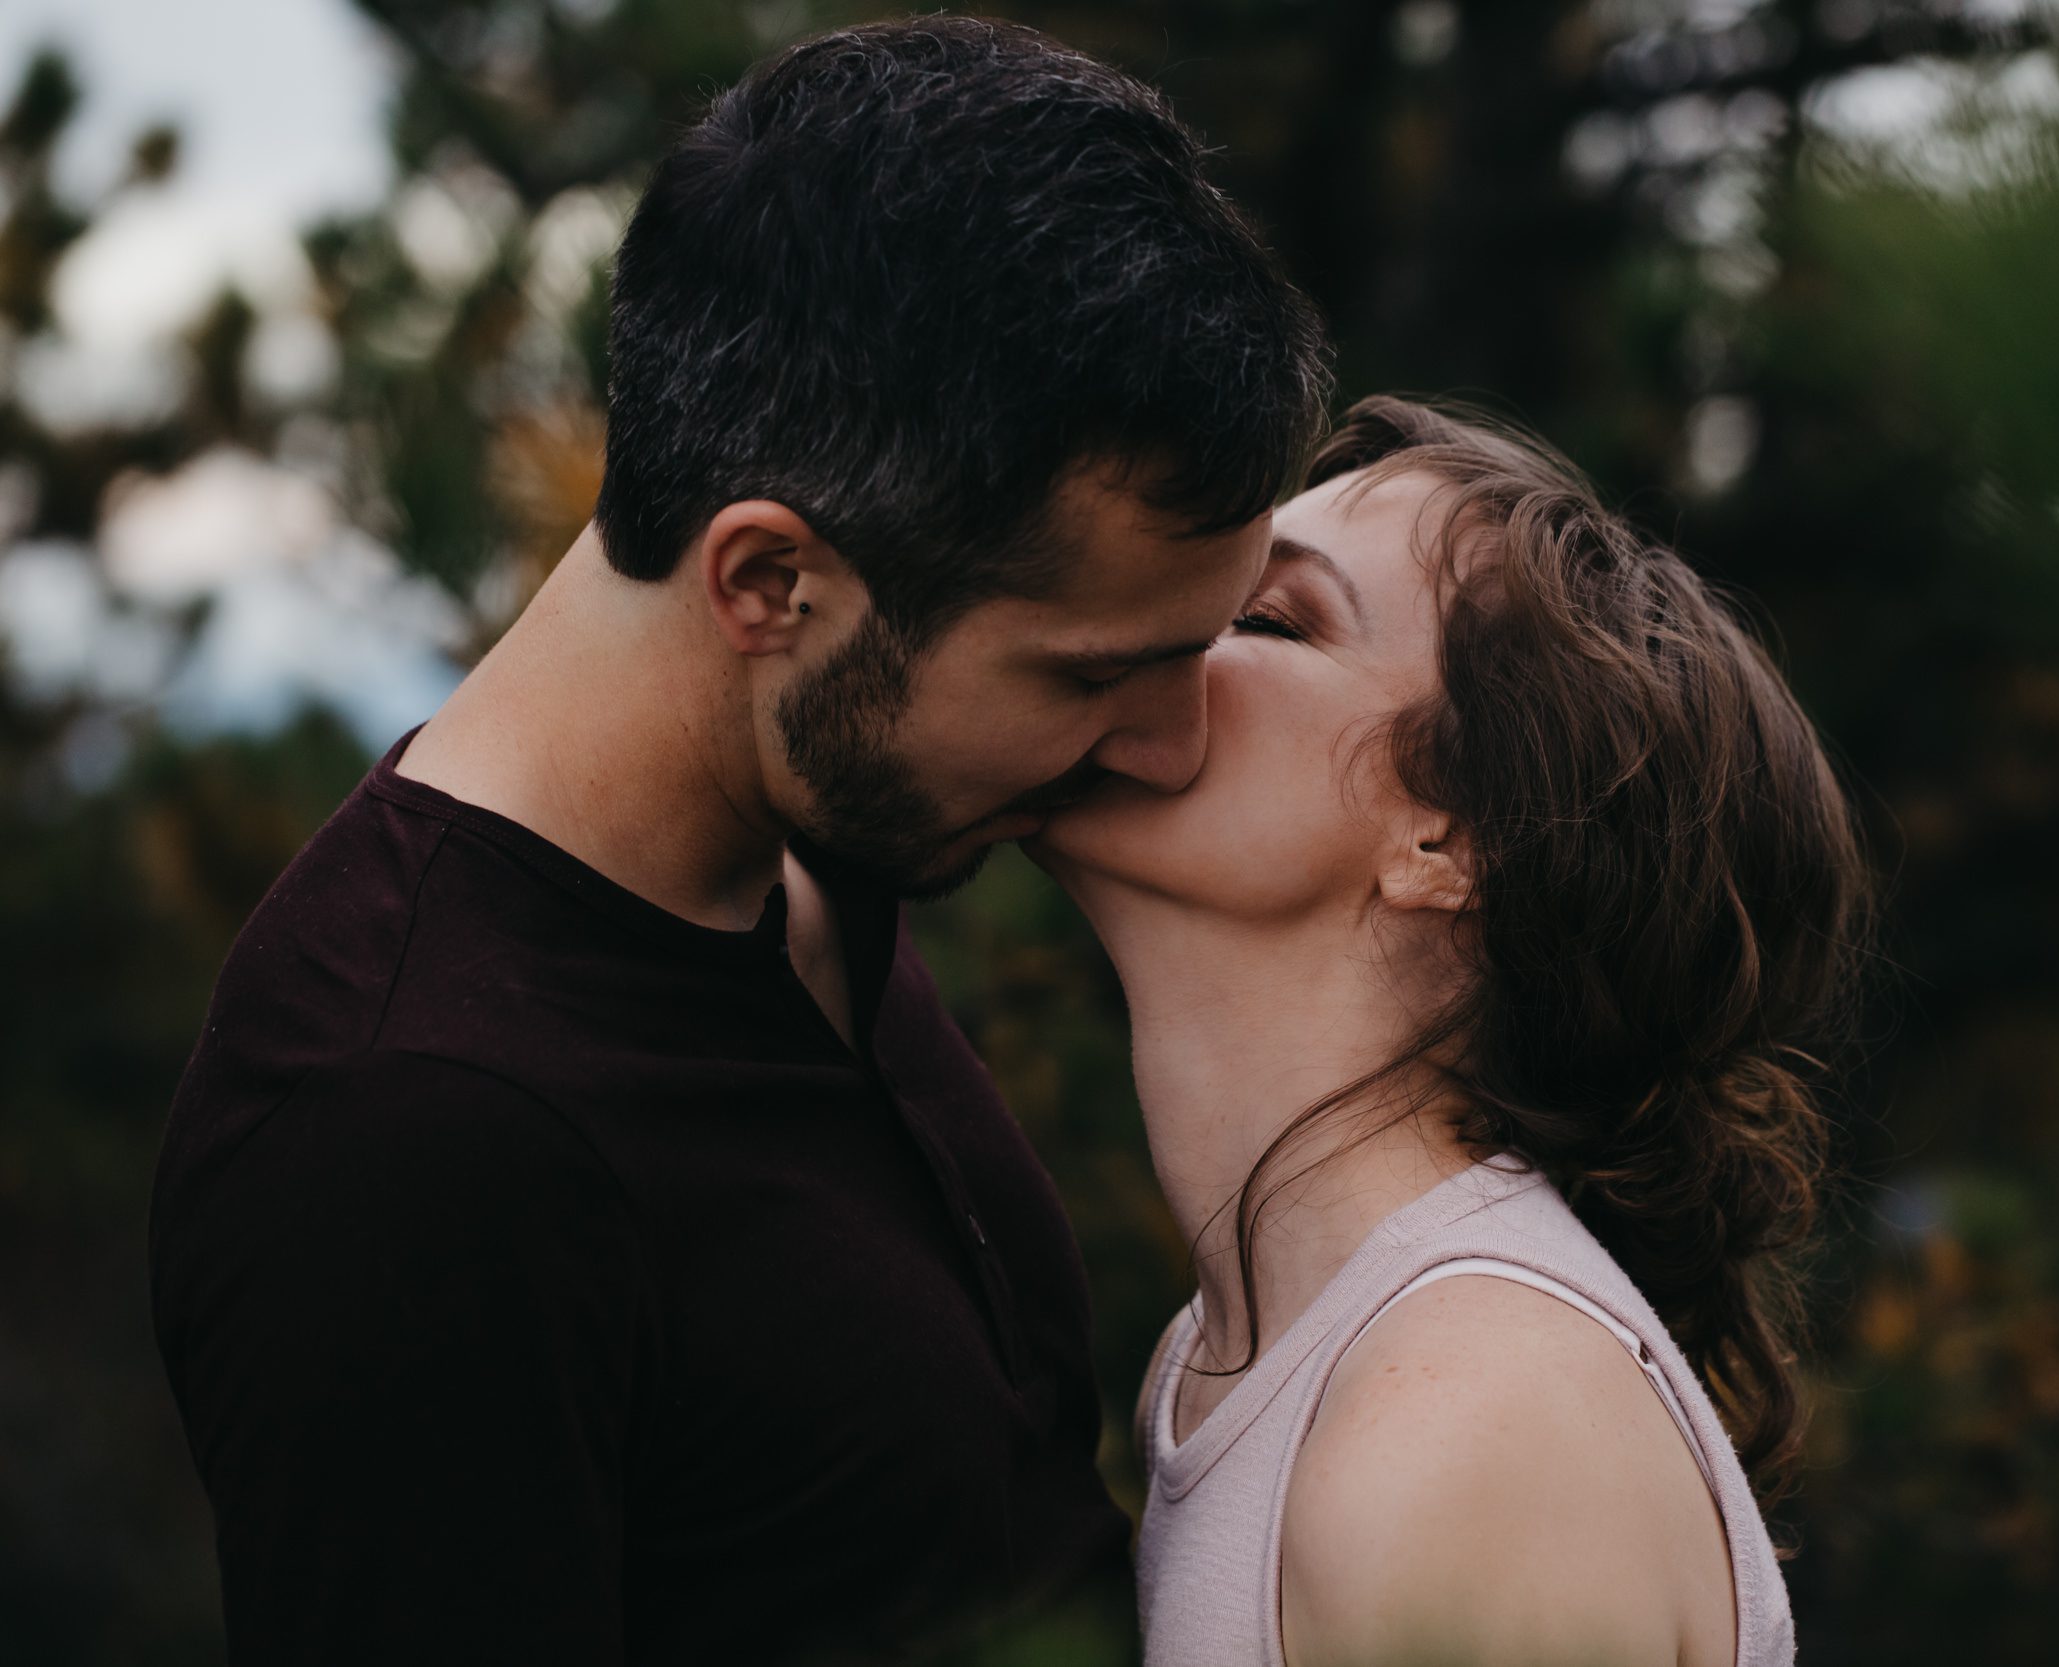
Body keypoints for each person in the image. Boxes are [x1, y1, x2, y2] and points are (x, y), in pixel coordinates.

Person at [145, 17, 1328, 1664]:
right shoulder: (409, 1134)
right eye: (1095, 671)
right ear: (770, 584)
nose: (1174, 744)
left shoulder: (820, 833)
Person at [1022, 394, 1869, 1667]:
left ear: (1446, 840)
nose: (1159, 627)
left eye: (1266, 616)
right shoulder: (1220, 1354)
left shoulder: (1472, 1424)